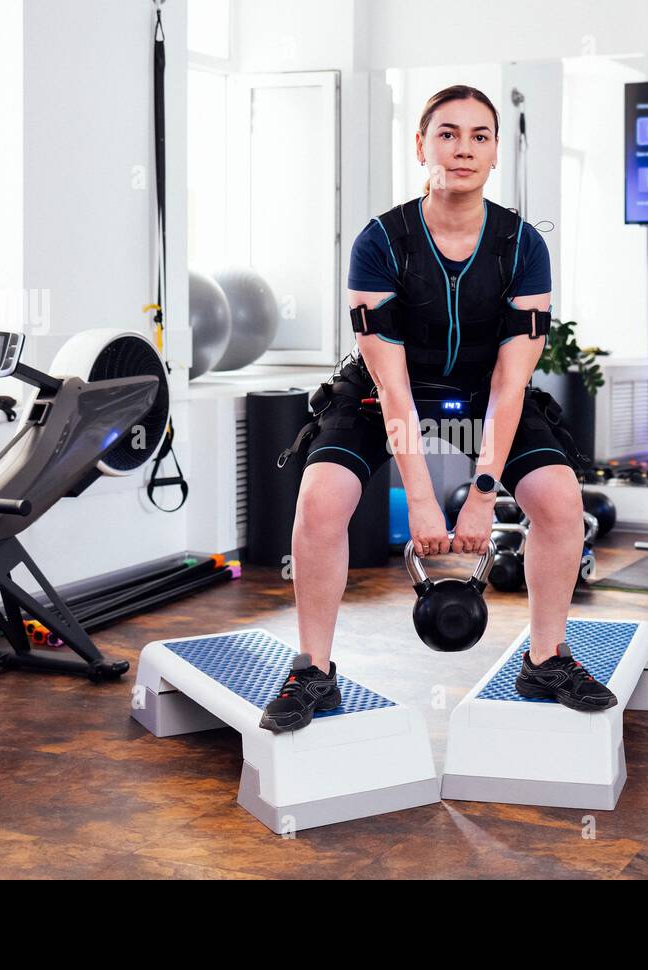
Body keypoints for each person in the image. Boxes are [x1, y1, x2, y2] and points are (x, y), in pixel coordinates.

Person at [262, 85, 617, 733]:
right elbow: (393, 388)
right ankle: (314, 667)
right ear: (420, 145)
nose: (463, 149)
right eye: (447, 134)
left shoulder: (521, 246)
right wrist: (423, 500)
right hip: (384, 390)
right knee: (320, 497)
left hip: (485, 391)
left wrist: (481, 496)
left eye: (480, 136)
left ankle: (545, 658)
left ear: (495, 153)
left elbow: (511, 385)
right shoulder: (381, 242)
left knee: (561, 501)